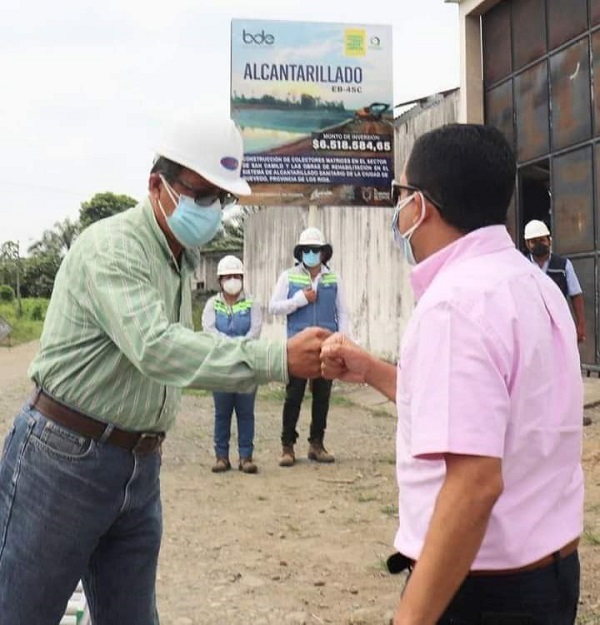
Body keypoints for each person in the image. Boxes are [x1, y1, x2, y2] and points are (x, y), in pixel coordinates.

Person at [0, 112, 329, 625]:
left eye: (220, 199)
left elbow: (180, 348)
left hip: (138, 463)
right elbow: (156, 348)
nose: (211, 210)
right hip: (64, 460)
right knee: (22, 611)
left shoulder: (177, 258)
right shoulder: (115, 248)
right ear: (157, 185)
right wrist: (275, 357)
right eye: (200, 195)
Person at [321, 124, 583, 624]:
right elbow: (478, 416)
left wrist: (411, 618)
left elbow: (475, 484)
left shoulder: (455, 305)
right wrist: (373, 370)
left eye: (400, 195)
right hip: (548, 575)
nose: (397, 212)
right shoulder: (532, 284)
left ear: (419, 206)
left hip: (483, 591)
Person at [269, 227, 349, 467]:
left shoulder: (333, 278)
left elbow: (342, 311)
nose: (311, 254)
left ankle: (317, 444)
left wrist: (342, 340)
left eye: (315, 250)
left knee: (322, 396)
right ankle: (287, 447)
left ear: (324, 253)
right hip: (298, 346)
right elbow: (274, 307)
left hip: (327, 345)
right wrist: (299, 300)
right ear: (300, 252)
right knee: (293, 395)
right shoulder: (289, 277)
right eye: (307, 250)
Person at [202, 254, 261, 474]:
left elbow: (255, 330)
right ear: (220, 280)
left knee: (246, 413)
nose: (233, 280)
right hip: (221, 366)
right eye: (228, 276)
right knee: (222, 413)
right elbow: (209, 330)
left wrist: (239, 346)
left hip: (246, 365)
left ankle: (246, 457)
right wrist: (232, 345)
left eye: (237, 276)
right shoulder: (212, 304)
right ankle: (221, 457)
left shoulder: (251, 303)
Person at [524, 218, 586, 343]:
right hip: (529, 327)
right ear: (527, 244)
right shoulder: (521, 265)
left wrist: (580, 325)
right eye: (534, 242)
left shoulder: (563, 265)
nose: (539, 244)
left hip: (559, 325)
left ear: (549, 240)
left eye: (542, 240)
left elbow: (576, 295)